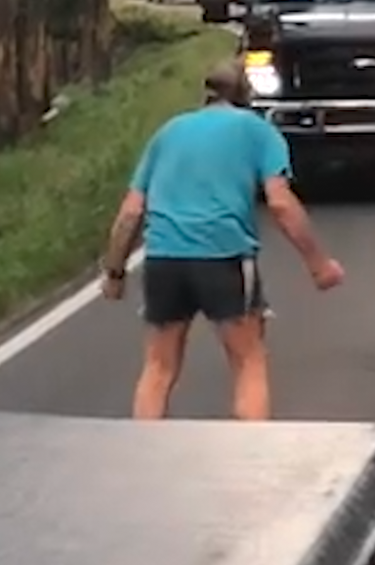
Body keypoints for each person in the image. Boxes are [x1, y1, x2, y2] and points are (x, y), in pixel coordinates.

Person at [99, 59, 344, 421]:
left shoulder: (168, 131)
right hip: (224, 257)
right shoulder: (258, 131)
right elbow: (280, 203)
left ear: (206, 94)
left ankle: (141, 456)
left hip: (164, 257)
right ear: (245, 95)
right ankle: (248, 457)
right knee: (249, 362)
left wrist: (115, 272)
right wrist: (319, 264)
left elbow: (132, 211)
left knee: (158, 368)